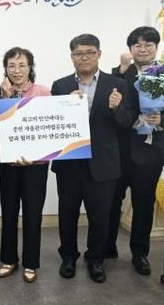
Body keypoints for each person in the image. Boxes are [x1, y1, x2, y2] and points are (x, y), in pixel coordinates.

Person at [51, 33, 134, 283]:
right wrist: (65, 106)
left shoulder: (117, 85)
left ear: (99, 54)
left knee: (100, 216)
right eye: (79, 53)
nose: (84, 57)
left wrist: (117, 108)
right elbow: (53, 123)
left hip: (103, 163)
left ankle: (96, 259)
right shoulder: (61, 85)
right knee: (67, 214)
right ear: (72, 57)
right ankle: (68, 257)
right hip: (69, 162)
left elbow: (128, 122)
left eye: (89, 52)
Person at [106, 26, 164, 275]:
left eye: (148, 44)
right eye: (137, 45)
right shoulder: (120, 73)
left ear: (156, 47)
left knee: (143, 205)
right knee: (111, 201)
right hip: (119, 151)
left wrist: (162, 120)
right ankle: (107, 247)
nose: (142, 49)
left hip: (150, 152)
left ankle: (140, 254)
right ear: (130, 49)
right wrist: (122, 71)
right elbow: (113, 104)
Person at [0, 47, 50, 282]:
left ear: (30, 68)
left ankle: (31, 262)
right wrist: (5, 97)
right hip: (8, 161)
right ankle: (9, 259)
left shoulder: (43, 92)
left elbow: (50, 128)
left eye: (21, 65)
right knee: (8, 211)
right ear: (5, 69)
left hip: (36, 164)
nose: (16, 70)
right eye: (11, 66)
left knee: (32, 212)